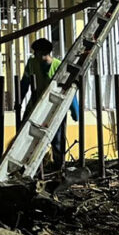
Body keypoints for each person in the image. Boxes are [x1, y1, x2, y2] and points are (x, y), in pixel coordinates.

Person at [20, 38, 79, 170]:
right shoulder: (31, 63)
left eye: (36, 53)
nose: (34, 55)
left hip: (55, 108)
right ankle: (28, 166)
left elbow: (69, 90)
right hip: (35, 106)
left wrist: (75, 110)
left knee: (57, 140)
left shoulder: (59, 66)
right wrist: (18, 101)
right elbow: (24, 83)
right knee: (27, 135)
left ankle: (59, 167)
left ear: (44, 53)